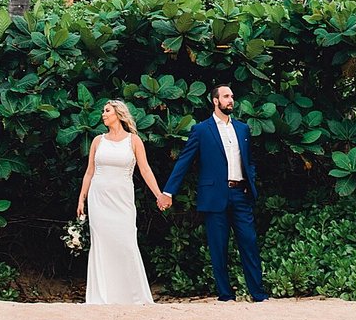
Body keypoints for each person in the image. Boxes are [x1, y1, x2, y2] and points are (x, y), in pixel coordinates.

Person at [160, 82, 269, 302]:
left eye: (232, 96)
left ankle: (258, 294)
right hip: (214, 195)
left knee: (248, 242)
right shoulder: (201, 130)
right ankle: (225, 295)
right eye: (226, 96)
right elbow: (184, 161)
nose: (231, 100)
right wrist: (168, 192)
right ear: (215, 101)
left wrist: (250, 180)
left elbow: (249, 161)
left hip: (240, 194)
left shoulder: (242, 128)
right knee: (218, 247)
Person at [76, 98, 167, 305]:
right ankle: (103, 296)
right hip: (99, 198)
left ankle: (132, 295)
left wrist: (158, 194)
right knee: (102, 244)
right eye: (103, 111)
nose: (103, 114)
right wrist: (81, 198)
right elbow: (89, 172)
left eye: (107, 111)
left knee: (125, 242)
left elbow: (145, 169)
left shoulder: (133, 140)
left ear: (118, 114)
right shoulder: (98, 141)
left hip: (122, 200)